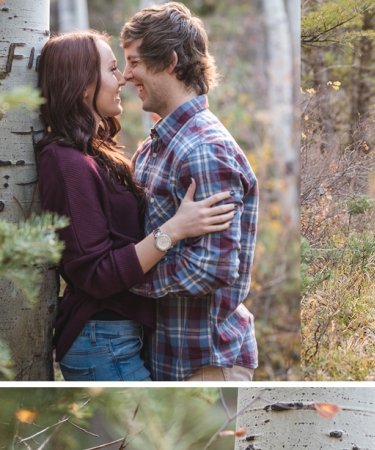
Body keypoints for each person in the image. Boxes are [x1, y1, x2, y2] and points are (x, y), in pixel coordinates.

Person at [37, 28, 235, 381]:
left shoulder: (94, 154)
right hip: (100, 340)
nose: (122, 79)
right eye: (113, 69)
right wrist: (173, 230)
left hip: (116, 338)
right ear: (83, 85)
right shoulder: (65, 162)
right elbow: (96, 274)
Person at [121, 0, 259, 383]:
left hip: (205, 363)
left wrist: (126, 276)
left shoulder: (204, 149)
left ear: (170, 61)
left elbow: (212, 267)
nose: (126, 75)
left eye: (134, 62)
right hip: (167, 358)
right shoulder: (158, 143)